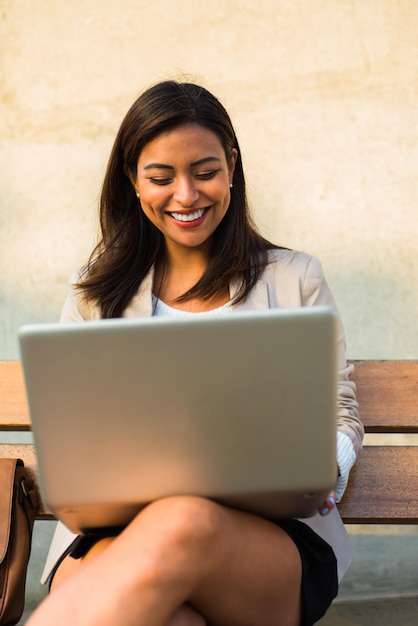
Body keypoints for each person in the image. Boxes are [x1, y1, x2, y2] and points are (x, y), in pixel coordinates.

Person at [27, 80, 363, 626]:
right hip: (115, 536)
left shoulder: (294, 277)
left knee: (183, 520)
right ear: (133, 181)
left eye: (204, 172)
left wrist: (329, 461)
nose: (186, 196)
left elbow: (342, 413)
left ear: (231, 165)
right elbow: (70, 434)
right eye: (161, 177)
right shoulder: (93, 290)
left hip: (267, 544)